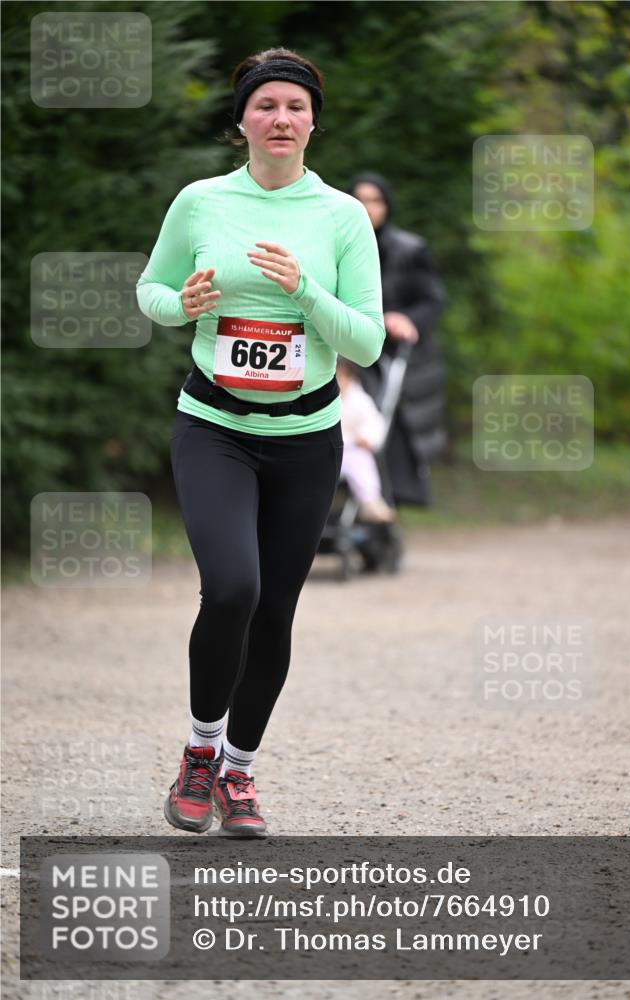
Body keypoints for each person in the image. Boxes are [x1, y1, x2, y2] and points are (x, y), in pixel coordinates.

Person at [136, 47, 384, 837]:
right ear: (240, 119)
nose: (281, 119)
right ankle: (199, 755)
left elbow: (369, 343)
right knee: (232, 589)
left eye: (295, 107)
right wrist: (182, 303)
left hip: (307, 437)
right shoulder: (201, 202)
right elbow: (151, 290)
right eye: (266, 105)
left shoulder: (340, 216)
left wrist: (304, 292)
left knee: (275, 609)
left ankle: (239, 773)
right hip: (213, 427)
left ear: (313, 122)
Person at [348, 172, 446, 507]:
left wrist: (405, 319)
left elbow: (433, 299)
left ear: (386, 205)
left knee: (391, 425)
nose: (367, 207)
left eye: (374, 199)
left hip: (401, 356)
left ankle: (389, 502)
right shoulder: (341, 246)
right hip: (355, 351)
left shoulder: (409, 249)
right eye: (360, 198)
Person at [336, 357, 395, 523]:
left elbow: (374, 423)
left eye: (340, 377)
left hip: (350, 449)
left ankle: (370, 501)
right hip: (323, 451)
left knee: (361, 461)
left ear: (349, 377)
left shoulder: (359, 400)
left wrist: (367, 437)